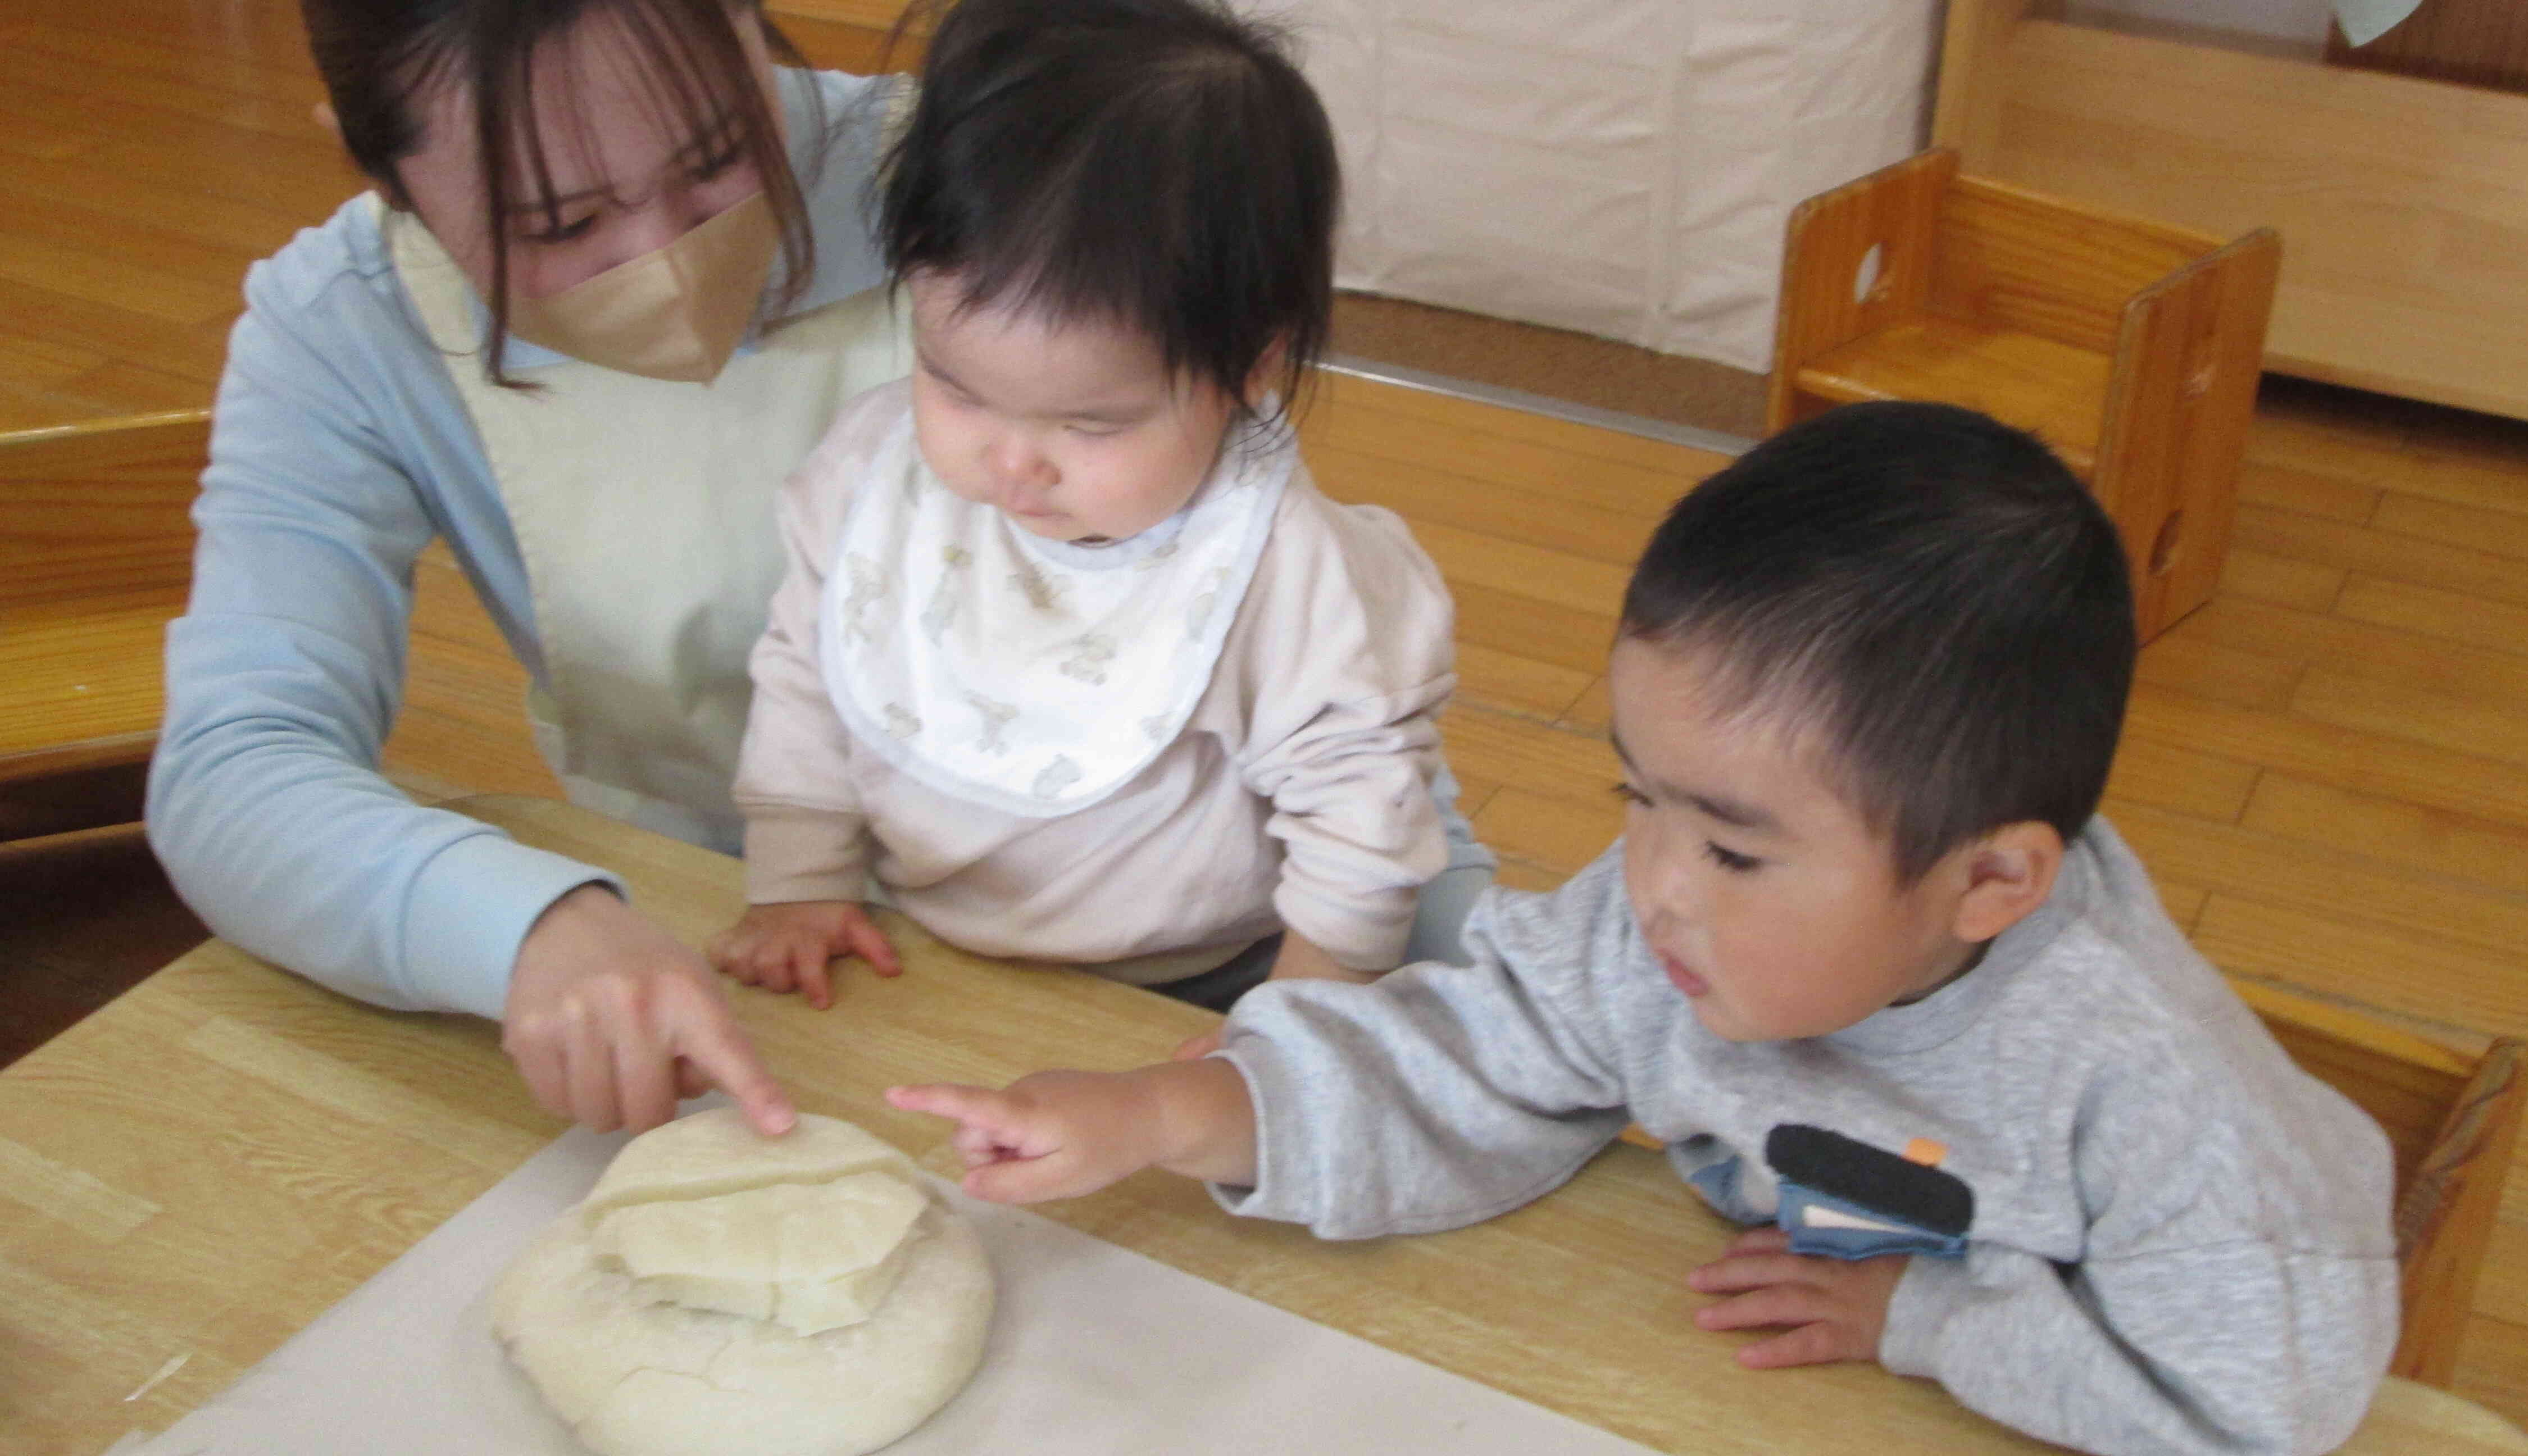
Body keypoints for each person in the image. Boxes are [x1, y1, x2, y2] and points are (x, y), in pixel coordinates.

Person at [886, 402, 2403, 1456]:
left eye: (1736, 848)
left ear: (1990, 887)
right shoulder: (1657, 930)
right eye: (1638, 798)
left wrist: (1922, 1318)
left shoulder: (2149, 1094)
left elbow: (2258, 1391)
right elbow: (1470, 1058)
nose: (1654, 885)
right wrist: (1166, 1109)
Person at [144, 0, 1493, 1137]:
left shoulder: (1015, 192)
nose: (664, 254)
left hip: (1172, 987)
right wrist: (525, 926)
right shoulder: (345, 331)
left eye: (720, 152)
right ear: (382, 177)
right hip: (741, 956)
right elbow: (235, 769)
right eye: (558, 223)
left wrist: (1411, 1002)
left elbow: (1343, 744)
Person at [704, 0, 1468, 1012]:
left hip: (1212, 982)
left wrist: (1295, 1035)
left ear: (1252, 364)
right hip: (911, 945)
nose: (1012, 462)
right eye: (956, 387)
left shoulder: (1286, 569)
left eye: (1091, 426)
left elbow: (1363, 826)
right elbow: (810, 673)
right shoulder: (869, 479)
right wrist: (799, 881)